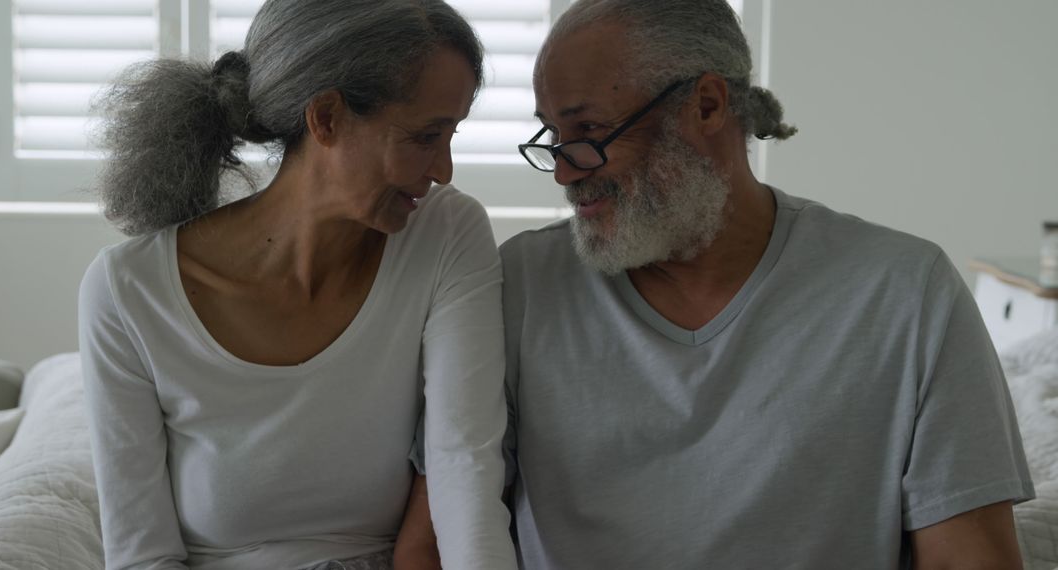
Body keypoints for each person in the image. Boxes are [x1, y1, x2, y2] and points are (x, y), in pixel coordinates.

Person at [502, 0, 1034, 568]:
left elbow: (970, 557)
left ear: (706, 105)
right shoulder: (520, 287)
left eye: (588, 130)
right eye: (552, 134)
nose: (563, 170)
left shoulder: (905, 293)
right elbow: (445, 524)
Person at [78, 1, 517, 569]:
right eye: (425, 136)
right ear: (327, 117)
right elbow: (142, 557)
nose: (443, 169)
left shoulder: (446, 232)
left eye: (451, 134)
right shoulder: (128, 292)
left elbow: (466, 469)